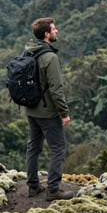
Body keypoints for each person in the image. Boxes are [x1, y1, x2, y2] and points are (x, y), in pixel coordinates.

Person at [24, 17, 73, 201]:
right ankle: (53, 189)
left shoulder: (29, 51)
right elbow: (56, 89)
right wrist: (64, 113)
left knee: (33, 147)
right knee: (58, 147)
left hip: (31, 109)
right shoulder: (50, 57)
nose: (56, 31)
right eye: (54, 29)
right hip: (47, 112)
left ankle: (32, 186)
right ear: (46, 34)